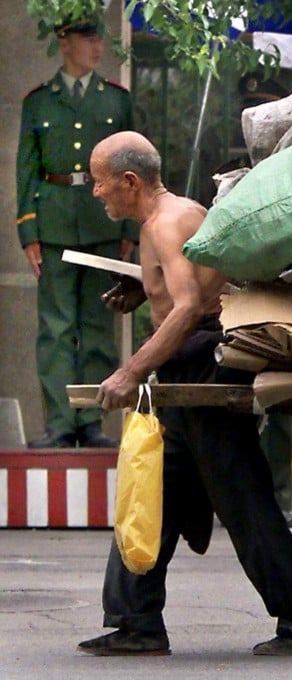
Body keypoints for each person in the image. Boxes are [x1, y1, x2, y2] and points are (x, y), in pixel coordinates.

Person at [77, 130, 292, 656]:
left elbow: (190, 307)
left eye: (101, 183)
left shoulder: (166, 223)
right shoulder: (172, 216)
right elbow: (196, 280)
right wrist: (142, 285)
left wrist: (131, 371)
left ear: (130, 181)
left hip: (204, 369)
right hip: (187, 371)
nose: (96, 192)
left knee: (242, 497)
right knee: (155, 491)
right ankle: (136, 621)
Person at [15, 15, 135, 449]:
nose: (97, 47)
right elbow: (26, 171)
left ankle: (92, 422)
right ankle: (60, 424)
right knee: (55, 329)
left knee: (99, 327)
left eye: (99, 38)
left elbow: (132, 169)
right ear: (64, 42)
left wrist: (129, 228)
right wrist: (28, 231)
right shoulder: (40, 102)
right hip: (55, 223)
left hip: (104, 221)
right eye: (87, 39)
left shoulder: (116, 101)